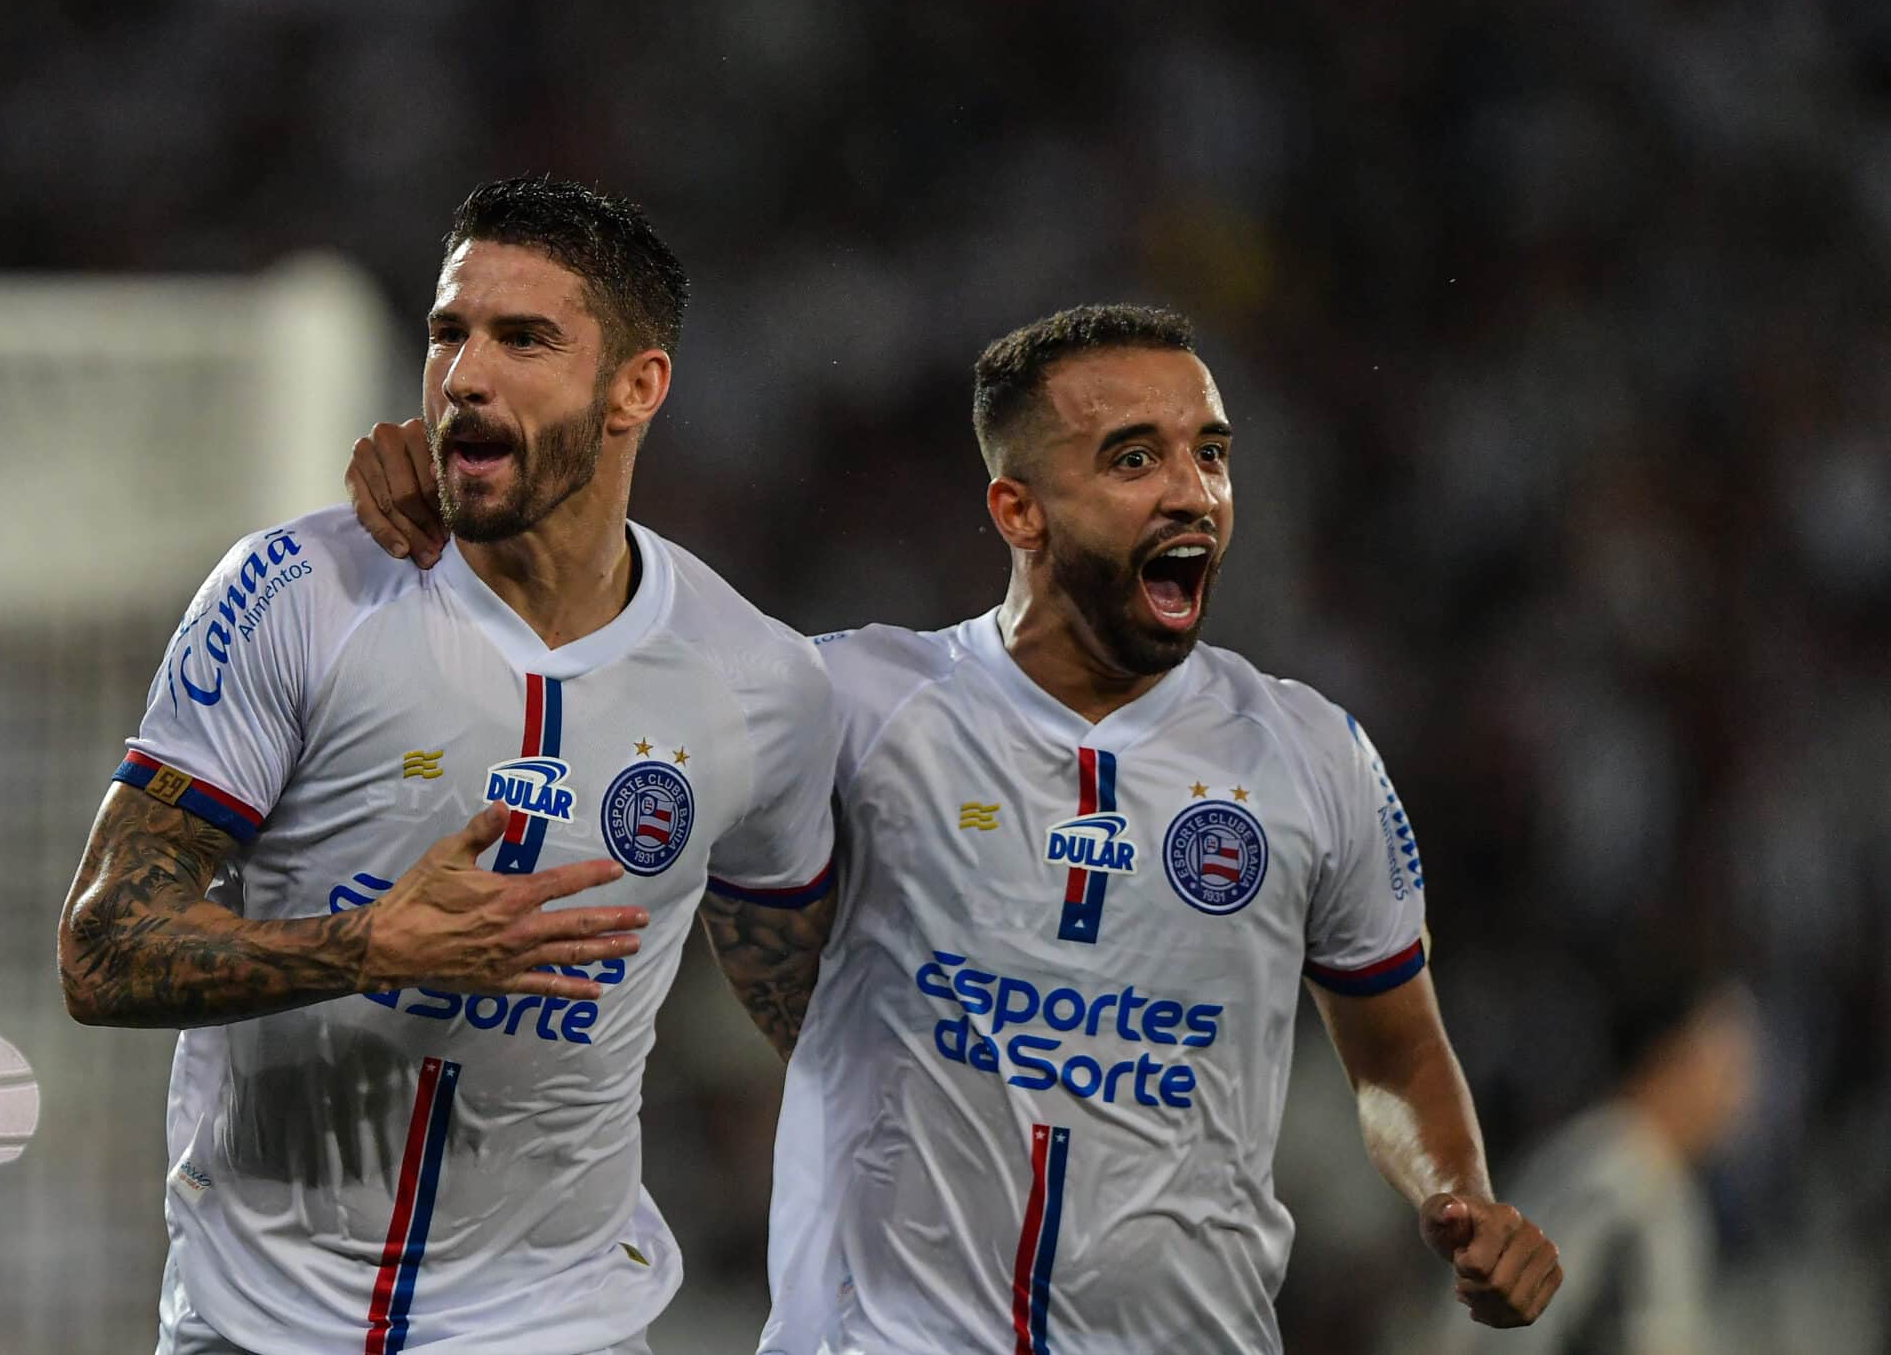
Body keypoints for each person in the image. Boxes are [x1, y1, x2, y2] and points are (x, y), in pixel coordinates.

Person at [348, 304, 1561, 1352]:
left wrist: (1458, 1198)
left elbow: (1396, 1055)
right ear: (1017, 509)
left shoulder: (1311, 755)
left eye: (1210, 454)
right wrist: (464, 504)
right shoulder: (854, 705)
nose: (1192, 490)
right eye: (1133, 459)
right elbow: (602, 657)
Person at [59, 176, 840, 1355]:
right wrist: (370, 947)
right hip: (257, 1324)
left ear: (638, 386)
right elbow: (102, 947)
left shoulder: (759, 685)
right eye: (447, 332)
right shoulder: (297, 595)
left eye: (524, 339)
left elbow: (818, 1014)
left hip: (560, 1329)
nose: (464, 375)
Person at [1400, 971, 1756, 1355]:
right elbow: (1502, 1329)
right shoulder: (1614, 1177)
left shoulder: (1640, 1172)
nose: (1737, 1097)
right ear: (1671, 1057)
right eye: (1725, 1070)